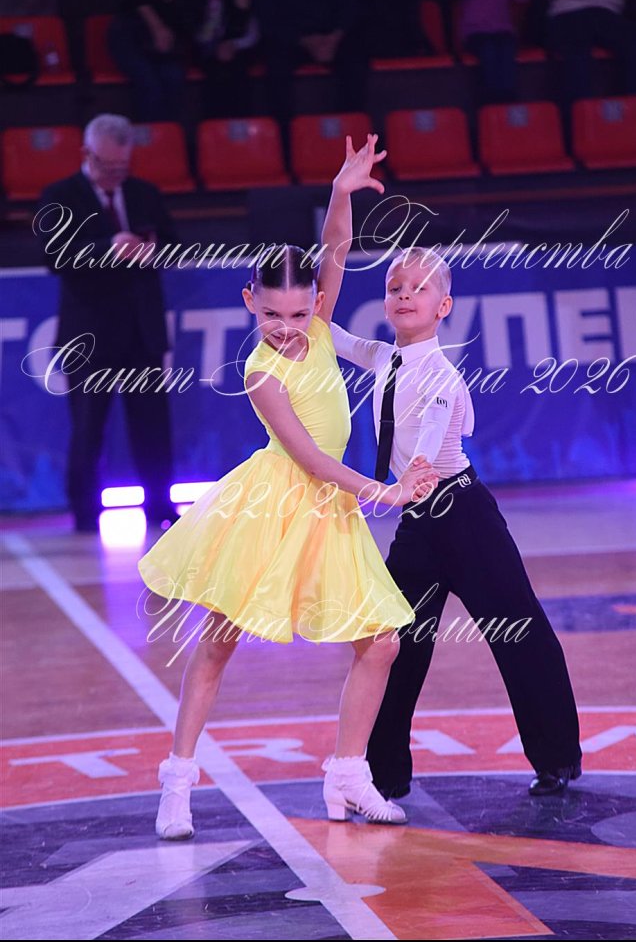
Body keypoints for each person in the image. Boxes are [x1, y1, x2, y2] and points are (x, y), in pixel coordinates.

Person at [136, 135, 438, 839]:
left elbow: (335, 245)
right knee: (218, 643)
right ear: (250, 300)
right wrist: (385, 491)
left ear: (318, 304)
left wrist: (340, 191)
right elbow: (309, 459)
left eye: (300, 314)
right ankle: (177, 779)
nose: (287, 327)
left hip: (328, 511)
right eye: (271, 315)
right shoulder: (259, 372)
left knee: (381, 643)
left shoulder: (322, 326)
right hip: (273, 505)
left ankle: (347, 774)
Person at [321, 154, 583, 799]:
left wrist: (410, 476)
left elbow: (431, 442)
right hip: (418, 526)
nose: (403, 295)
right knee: (392, 644)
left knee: (516, 628)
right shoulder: (382, 357)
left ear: (444, 306)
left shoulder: (443, 374)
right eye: (394, 287)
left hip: (463, 516)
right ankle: (382, 776)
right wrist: (338, 198)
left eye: (417, 288)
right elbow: (322, 324)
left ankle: (556, 758)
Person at [36, 113, 178, 533]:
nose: (116, 174)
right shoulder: (60, 196)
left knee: (152, 425)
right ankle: (84, 513)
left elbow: (174, 245)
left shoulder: (145, 193)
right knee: (88, 427)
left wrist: (153, 250)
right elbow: (56, 256)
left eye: (122, 166)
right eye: (107, 165)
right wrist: (109, 247)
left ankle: (160, 506)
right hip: (88, 335)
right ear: (87, 154)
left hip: (142, 330)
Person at [108, 0, 258, 122]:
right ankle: (150, 137)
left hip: (170, 44)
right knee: (149, 83)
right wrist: (158, 28)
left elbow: (239, 22)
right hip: (133, 33)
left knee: (174, 77)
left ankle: (169, 135)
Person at [249, 0, 369, 157]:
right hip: (289, 40)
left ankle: (351, 138)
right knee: (275, 68)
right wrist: (306, 41)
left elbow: (348, 3)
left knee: (355, 62)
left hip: (332, 35)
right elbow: (266, 20)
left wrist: (333, 38)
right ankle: (286, 145)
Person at [452, 0, 532, 104]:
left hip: (502, 31)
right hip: (475, 32)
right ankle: (491, 105)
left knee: (506, 49)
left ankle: (506, 105)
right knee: (489, 50)